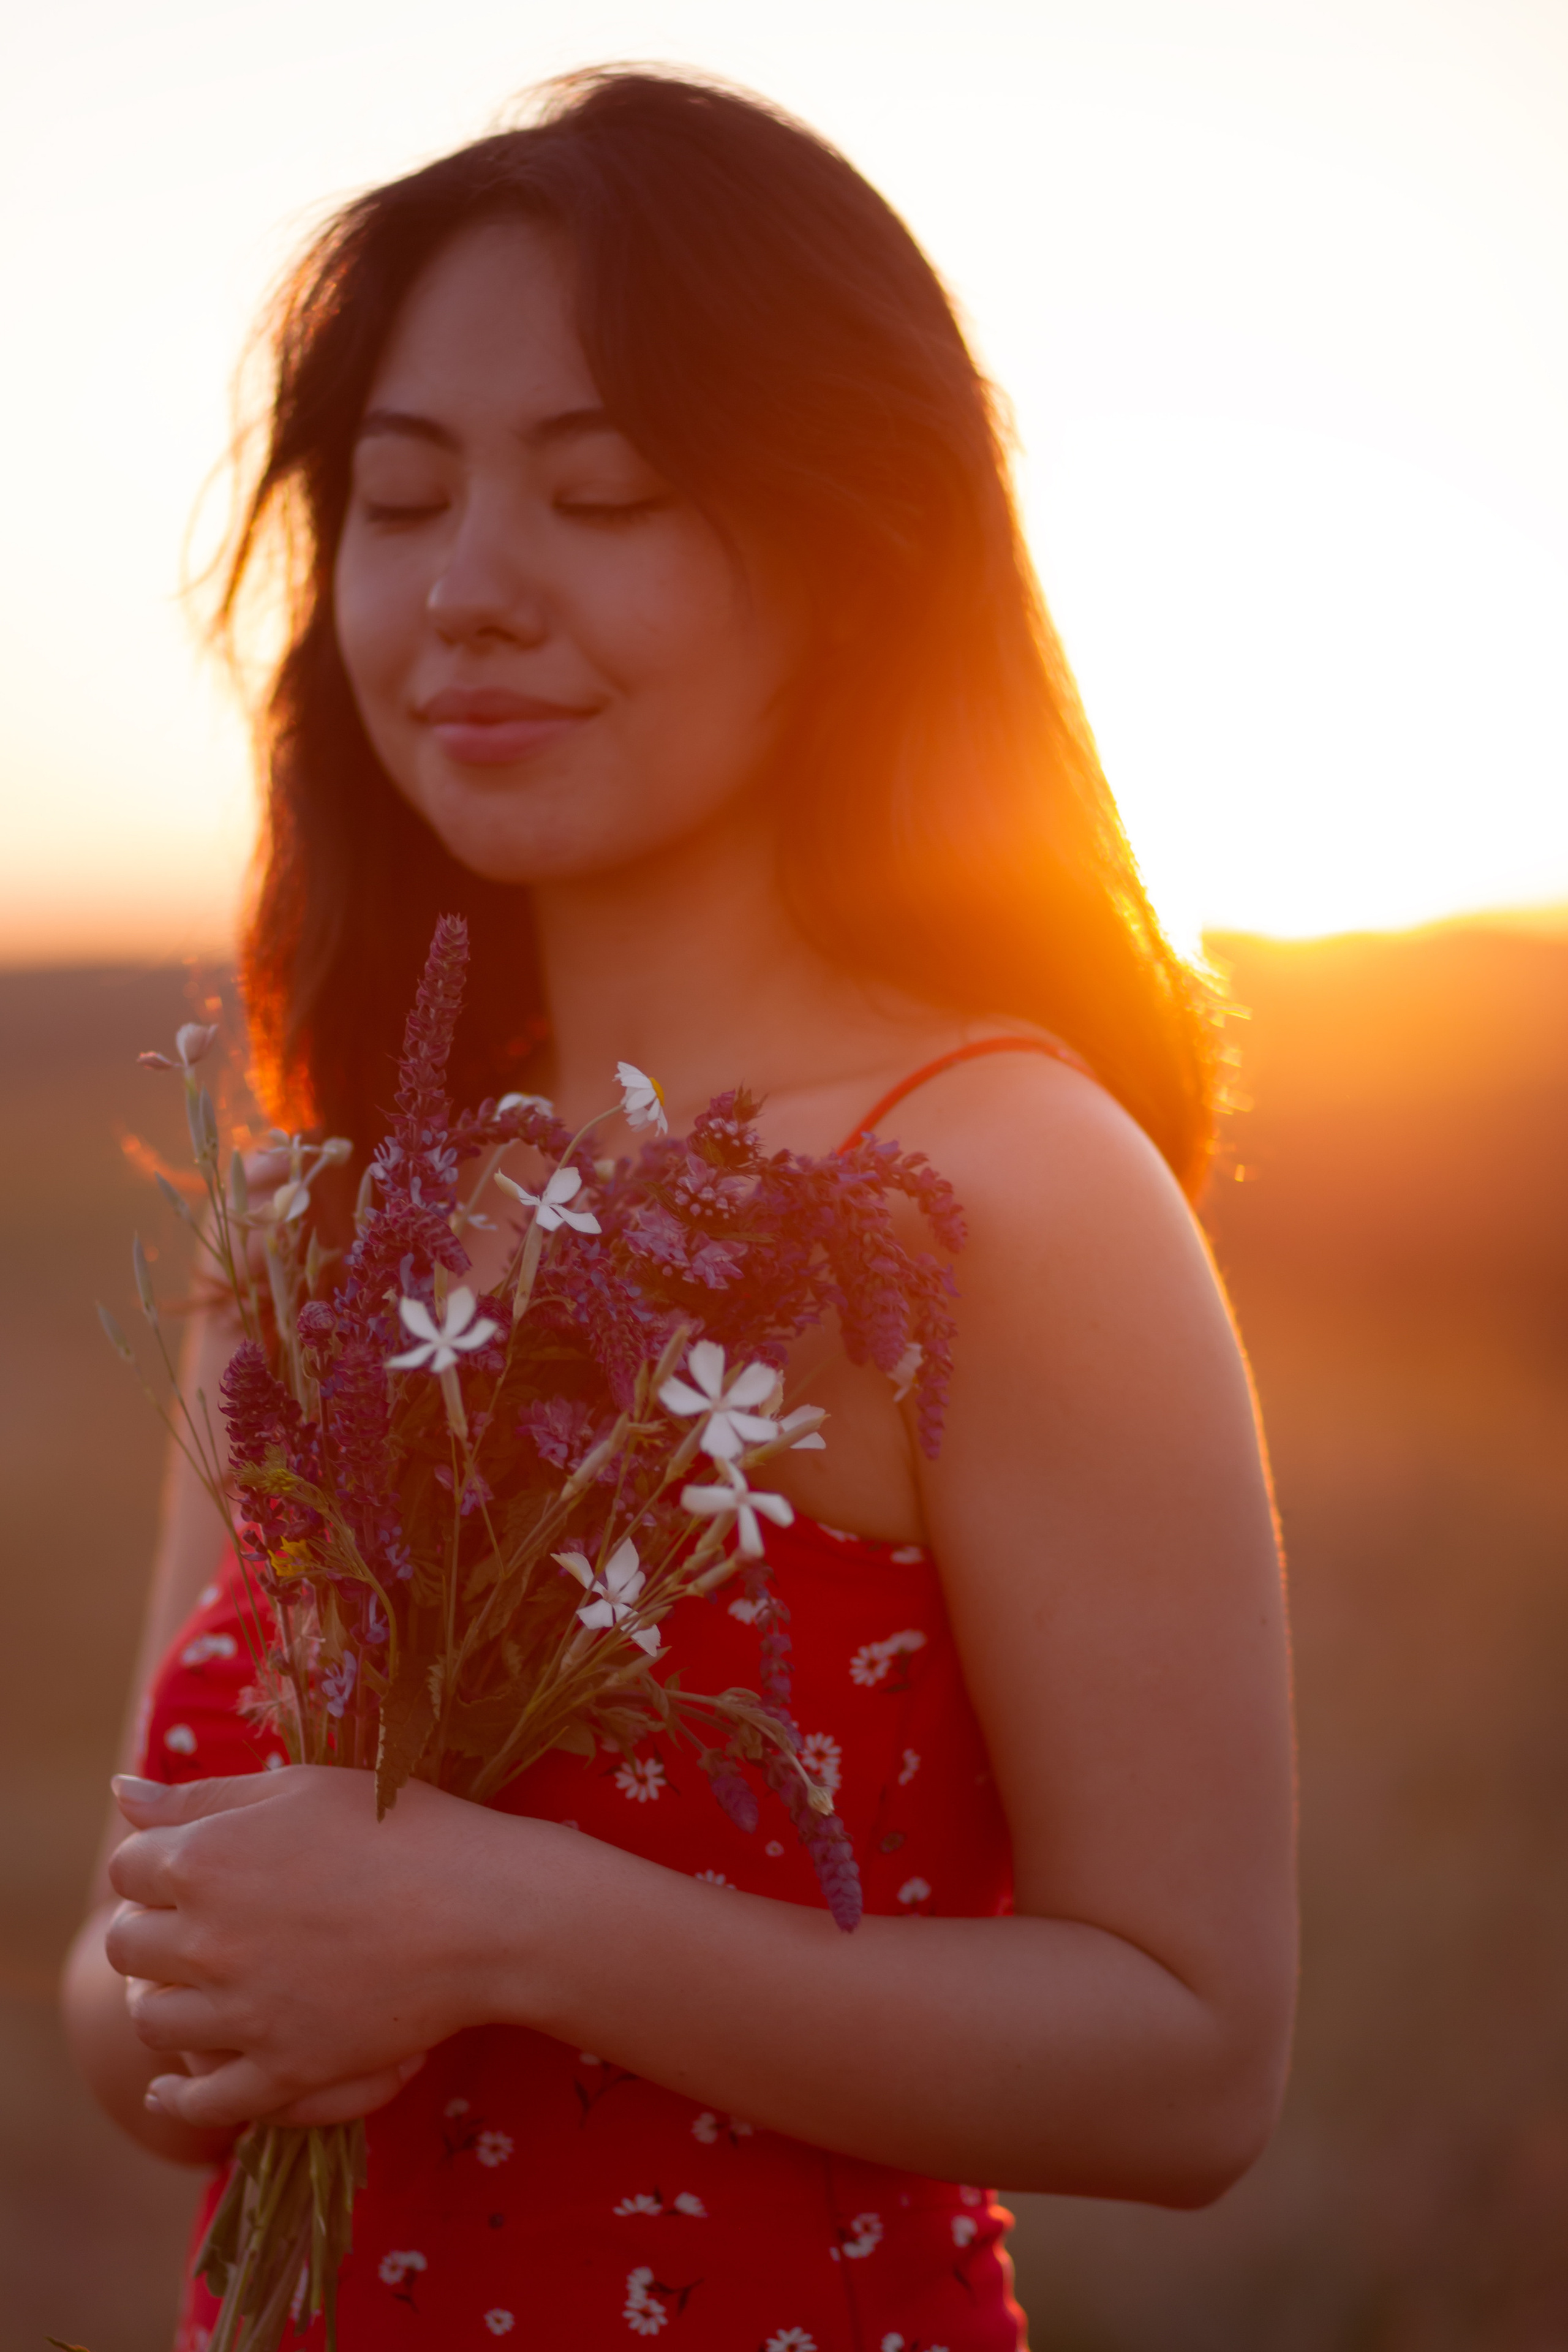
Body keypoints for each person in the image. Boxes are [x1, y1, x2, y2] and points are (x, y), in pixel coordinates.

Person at [62, 69, 1295, 2350]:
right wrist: (226, 1979)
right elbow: (117, 2004)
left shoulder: (991, 1186)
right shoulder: (322, 1212)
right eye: (400, 499)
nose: (466, 596)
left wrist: (503, 1927)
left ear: (852, 554)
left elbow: (1196, 2055)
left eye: (602, 491)